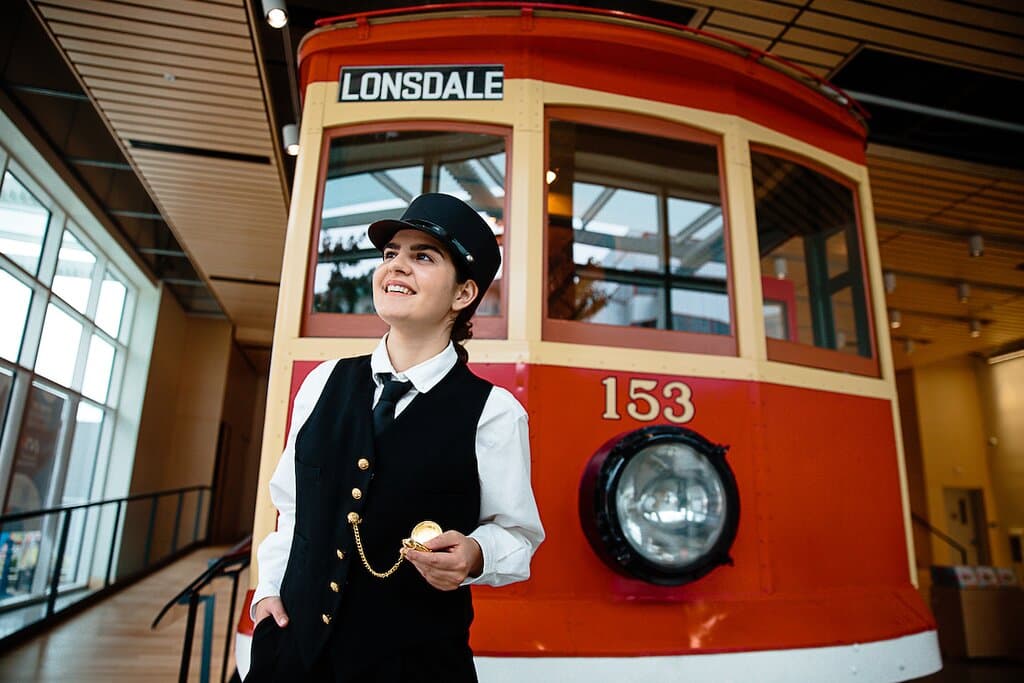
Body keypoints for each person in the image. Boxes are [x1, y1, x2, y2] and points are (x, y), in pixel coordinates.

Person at [246, 193, 544, 682]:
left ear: (464, 294)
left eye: (422, 256)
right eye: (390, 254)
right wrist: (268, 592)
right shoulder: (323, 383)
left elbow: (517, 535)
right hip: (292, 656)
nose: (396, 267)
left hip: (412, 667)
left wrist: (476, 555)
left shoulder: (494, 412)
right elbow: (293, 510)